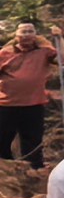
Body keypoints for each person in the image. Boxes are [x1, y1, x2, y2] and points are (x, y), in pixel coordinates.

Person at [0, 23, 53, 174]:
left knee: (33, 141)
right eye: (23, 31)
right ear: (16, 35)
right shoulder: (5, 53)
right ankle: (6, 171)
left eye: (30, 31)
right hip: (6, 104)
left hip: (33, 104)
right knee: (2, 140)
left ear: (35, 35)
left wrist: (59, 37)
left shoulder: (43, 52)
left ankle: (34, 172)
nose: (27, 35)